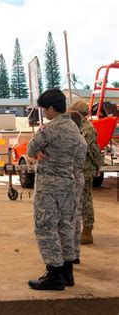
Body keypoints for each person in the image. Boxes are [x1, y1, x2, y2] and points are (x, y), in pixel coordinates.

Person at [26, 88, 83, 290]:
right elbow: (81, 154)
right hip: (68, 184)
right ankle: (68, 272)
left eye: (45, 109)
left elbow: (31, 149)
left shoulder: (49, 129)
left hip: (49, 186)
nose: (45, 114)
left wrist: (42, 152)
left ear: (51, 108)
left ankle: (54, 274)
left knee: (45, 227)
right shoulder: (74, 128)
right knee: (65, 226)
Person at [68, 101, 103, 245]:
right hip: (74, 170)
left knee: (85, 201)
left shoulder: (87, 129)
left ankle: (87, 231)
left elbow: (93, 150)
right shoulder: (76, 127)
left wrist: (98, 165)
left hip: (85, 171)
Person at [68, 111, 87, 264]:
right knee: (77, 217)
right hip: (79, 179)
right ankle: (75, 253)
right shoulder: (81, 140)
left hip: (69, 180)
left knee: (67, 219)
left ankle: (68, 254)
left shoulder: (70, 140)